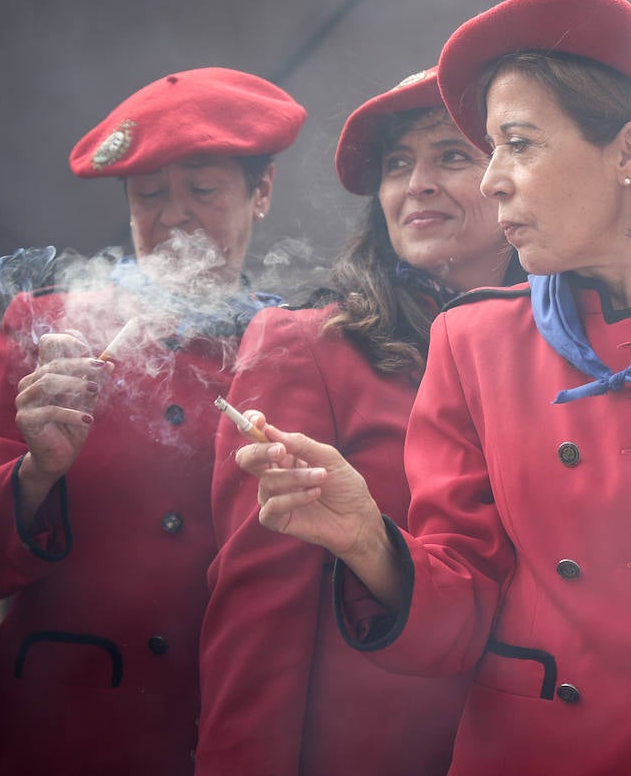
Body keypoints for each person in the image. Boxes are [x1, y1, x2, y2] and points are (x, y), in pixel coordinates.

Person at [235, 0, 631, 775]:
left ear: (629, 153)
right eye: (493, 150)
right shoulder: (470, 340)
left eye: (519, 143)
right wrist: (369, 540)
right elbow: (460, 614)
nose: (493, 180)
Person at [0, 67, 305, 774]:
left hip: (221, 734)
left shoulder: (299, 344)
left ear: (262, 192)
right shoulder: (51, 327)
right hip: (59, 732)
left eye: (203, 190)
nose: (175, 217)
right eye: (150, 195)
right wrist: (36, 474)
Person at [196, 67, 522, 776]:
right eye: (399, 164)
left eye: (452, 156)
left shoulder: (577, 354)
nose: (417, 182)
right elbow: (258, 616)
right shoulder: (305, 346)